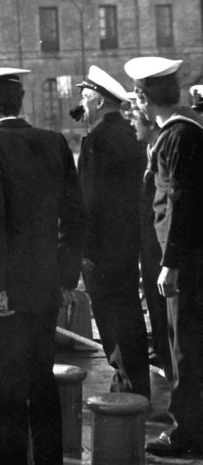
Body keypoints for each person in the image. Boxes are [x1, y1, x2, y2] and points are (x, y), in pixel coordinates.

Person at [0, 67, 83, 464]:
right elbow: (74, 215)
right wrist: (66, 277)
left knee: (1, 384)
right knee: (40, 377)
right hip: (45, 281)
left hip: (6, 286)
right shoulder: (54, 141)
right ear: (20, 101)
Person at [125, 56, 203, 457]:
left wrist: (169, 263)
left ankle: (187, 432)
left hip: (186, 262)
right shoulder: (186, 128)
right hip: (190, 257)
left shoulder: (176, 136)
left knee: (184, 346)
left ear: (142, 95)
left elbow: (179, 202)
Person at [75, 64, 151, 399]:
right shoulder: (130, 133)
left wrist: (80, 247)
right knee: (128, 312)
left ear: (100, 101)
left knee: (111, 317)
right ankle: (133, 382)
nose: (81, 101)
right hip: (128, 239)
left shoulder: (97, 141)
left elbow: (88, 201)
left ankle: (126, 386)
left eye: (85, 95)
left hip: (101, 247)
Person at [124, 95, 172, 379]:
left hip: (161, 247)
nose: (131, 124)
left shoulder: (162, 152)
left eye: (135, 118)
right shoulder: (149, 149)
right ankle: (165, 357)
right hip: (149, 244)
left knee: (166, 308)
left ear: (150, 122)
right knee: (156, 305)